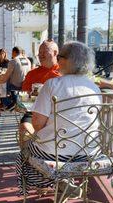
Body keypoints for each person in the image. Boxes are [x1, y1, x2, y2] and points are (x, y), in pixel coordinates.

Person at [16, 41, 102, 194]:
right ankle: (62, 187)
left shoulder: (52, 85)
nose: (58, 60)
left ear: (68, 61)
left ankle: (50, 184)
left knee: (26, 149)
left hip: (55, 155)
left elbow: (37, 125)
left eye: (60, 56)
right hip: (89, 155)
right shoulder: (93, 87)